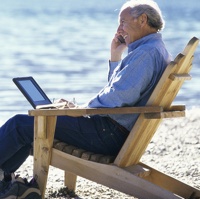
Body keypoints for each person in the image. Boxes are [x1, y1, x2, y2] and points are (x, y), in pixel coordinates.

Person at [0, 0, 171, 198]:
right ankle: (4, 180)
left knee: (20, 125)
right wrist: (115, 57)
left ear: (143, 19)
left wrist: (80, 110)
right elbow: (121, 90)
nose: (119, 29)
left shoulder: (146, 53)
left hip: (107, 133)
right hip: (113, 131)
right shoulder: (154, 49)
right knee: (32, 128)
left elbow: (120, 95)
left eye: (123, 22)